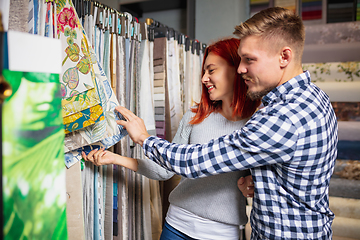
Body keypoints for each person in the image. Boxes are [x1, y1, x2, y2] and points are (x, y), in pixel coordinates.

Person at [115, 7, 338, 240]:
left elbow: (197, 162)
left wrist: (143, 138)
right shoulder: (315, 97)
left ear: (284, 56)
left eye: (249, 60)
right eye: (241, 59)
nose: (241, 69)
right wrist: (258, 183)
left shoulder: (282, 118)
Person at [83, 38, 260, 240]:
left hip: (220, 234)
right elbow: (165, 169)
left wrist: (252, 183)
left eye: (211, 70)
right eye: (204, 71)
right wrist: (113, 159)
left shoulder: (256, 125)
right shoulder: (195, 116)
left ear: (236, 69)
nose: (203, 78)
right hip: (176, 226)